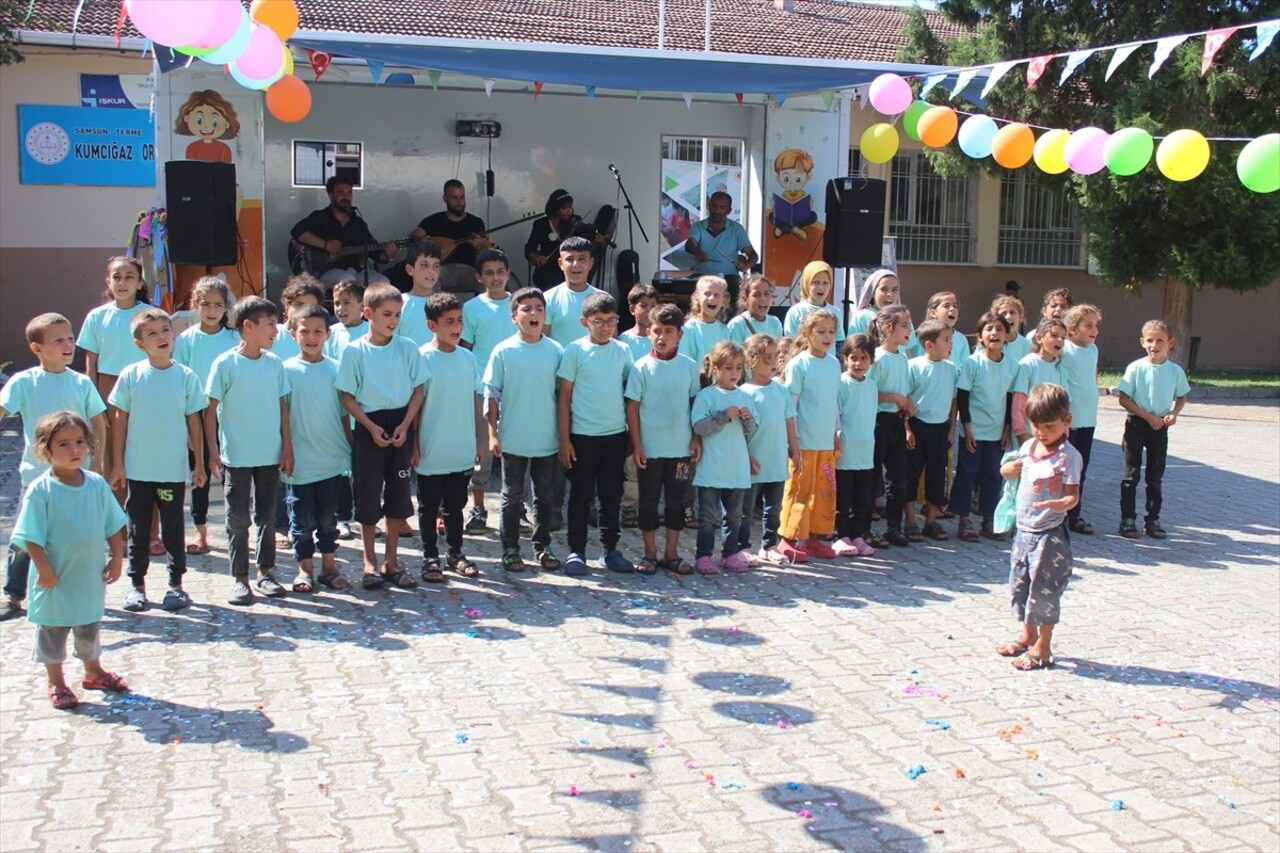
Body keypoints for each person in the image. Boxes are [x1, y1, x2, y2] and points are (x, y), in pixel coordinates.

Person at [11, 412, 129, 710]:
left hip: (87, 577)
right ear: (44, 450)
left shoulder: (96, 485)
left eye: (79, 442)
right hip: (54, 579)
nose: (74, 449)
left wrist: (116, 557)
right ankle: (56, 680)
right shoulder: (41, 491)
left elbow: (112, 523)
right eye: (63, 444)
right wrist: (44, 570)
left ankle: (94, 671)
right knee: (53, 630)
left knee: (88, 625)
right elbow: (30, 537)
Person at [0, 314, 107, 623]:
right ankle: (14, 595)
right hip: (35, 478)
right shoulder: (23, 382)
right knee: (25, 537)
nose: (68, 344)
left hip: (78, 478)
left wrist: (98, 461)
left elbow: (98, 420)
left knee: (77, 534)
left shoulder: (81, 382)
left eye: (70, 338)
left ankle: (83, 591)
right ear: (37, 348)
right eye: (58, 340)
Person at [108, 308, 206, 613]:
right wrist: (118, 464)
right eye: (152, 333)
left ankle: (176, 586)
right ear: (140, 344)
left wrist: (199, 464)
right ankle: (137, 586)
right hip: (138, 471)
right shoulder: (130, 376)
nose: (161, 337)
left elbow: (195, 422)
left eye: (165, 330)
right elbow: (119, 421)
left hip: (171, 472)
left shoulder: (186, 376)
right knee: (137, 529)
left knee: (173, 526)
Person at [334, 283, 425, 589]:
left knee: (398, 495)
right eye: (387, 314)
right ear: (368, 313)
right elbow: (346, 396)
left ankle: (392, 561)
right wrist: (370, 427)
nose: (393, 321)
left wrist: (406, 426)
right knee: (368, 495)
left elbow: (418, 390)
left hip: (400, 422)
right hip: (368, 424)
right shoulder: (355, 351)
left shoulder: (408, 348)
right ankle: (369, 562)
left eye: (398, 315)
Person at [206, 296, 293, 605]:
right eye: (270, 324)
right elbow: (210, 409)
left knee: (267, 516)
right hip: (237, 458)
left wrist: (287, 447)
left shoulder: (274, 364)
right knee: (238, 518)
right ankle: (240, 578)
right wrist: (213, 451)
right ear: (248, 326)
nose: (276, 330)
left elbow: (283, 408)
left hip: (269, 456)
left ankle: (265, 572)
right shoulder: (225, 364)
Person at [998, 383, 1081, 671]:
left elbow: (1073, 495)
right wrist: (1005, 470)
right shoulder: (1028, 446)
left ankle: (1044, 646)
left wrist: (1063, 504)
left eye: (1049, 426)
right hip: (1024, 531)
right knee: (1020, 584)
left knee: (1044, 589)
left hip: (1050, 535)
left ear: (1066, 421)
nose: (1041, 432)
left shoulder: (1068, 457)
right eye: (1036, 425)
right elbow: (1012, 470)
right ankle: (1027, 634)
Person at [485, 288, 564, 573]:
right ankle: (509, 548)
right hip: (514, 438)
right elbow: (492, 393)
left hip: (547, 439)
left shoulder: (556, 351)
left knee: (544, 495)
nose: (534, 314)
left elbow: (564, 396)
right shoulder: (503, 350)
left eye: (539, 308)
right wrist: (493, 433)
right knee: (511, 495)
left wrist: (564, 437)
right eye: (526, 309)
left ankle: (542, 546)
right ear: (513, 316)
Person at [557, 292, 636, 577]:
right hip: (582, 436)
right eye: (598, 321)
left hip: (614, 436)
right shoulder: (574, 351)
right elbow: (564, 398)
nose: (605, 327)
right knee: (580, 496)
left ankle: (610, 550)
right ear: (584, 322)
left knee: (611, 495)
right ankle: (576, 552)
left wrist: (630, 436)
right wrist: (564, 440)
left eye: (611, 321)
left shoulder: (623, 350)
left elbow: (629, 396)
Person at [625, 303, 702, 575]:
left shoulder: (690, 367)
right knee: (647, 501)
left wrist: (695, 438)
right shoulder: (640, 368)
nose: (662, 337)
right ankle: (650, 553)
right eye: (657, 330)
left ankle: (671, 553)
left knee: (676, 502)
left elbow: (695, 404)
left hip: (680, 450)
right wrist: (637, 445)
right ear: (648, 332)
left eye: (669, 331)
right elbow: (632, 408)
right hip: (650, 450)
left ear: (680, 335)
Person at [282, 306, 352, 593]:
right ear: (292, 333)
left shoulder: (337, 368)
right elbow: (281, 415)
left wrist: (350, 449)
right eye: (304, 331)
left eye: (317, 331)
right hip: (300, 461)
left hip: (332, 459)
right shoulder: (284, 370)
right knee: (302, 519)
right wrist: (285, 450)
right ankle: (304, 569)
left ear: (328, 334)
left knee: (327, 518)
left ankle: (329, 567)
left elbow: (344, 413)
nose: (311, 337)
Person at [415, 294, 483, 583]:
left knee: (455, 506)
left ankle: (456, 552)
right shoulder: (420, 357)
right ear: (432, 325)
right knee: (429, 506)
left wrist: (479, 441)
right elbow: (415, 404)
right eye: (449, 322)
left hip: (460, 448)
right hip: (430, 448)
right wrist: (415, 444)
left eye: (459, 321)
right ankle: (430, 555)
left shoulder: (468, 358)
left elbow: (474, 400)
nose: (456, 327)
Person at [78, 256, 149, 504]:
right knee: (111, 455)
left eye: (129, 277)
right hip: (107, 388)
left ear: (140, 282)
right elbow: (92, 362)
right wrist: (94, 400)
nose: (122, 282)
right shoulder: (97, 317)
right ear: (108, 282)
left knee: (142, 453)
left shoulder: (151, 315)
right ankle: (116, 531)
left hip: (144, 386)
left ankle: (149, 533)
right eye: (116, 277)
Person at [175, 277, 237, 555]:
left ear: (226, 308)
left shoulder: (235, 339)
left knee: (232, 477)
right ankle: (200, 533)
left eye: (218, 305)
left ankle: (236, 532)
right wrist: (187, 428)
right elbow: (181, 385)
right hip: (197, 419)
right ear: (195, 306)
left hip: (231, 416)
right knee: (199, 477)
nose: (212, 311)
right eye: (206, 305)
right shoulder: (185, 341)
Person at [778, 310, 842, 561]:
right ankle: (788, 538)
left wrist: (837, 431)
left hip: (825, 442)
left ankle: (814, 537)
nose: (827, 336)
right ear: (807, 333)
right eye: (821, 331)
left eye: (831, 332)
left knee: (823, 492)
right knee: (798, 490)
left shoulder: (834, 363)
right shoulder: (799, 364)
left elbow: (834, 401)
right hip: (803, 443)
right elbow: (790, 406)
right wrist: (792, 441)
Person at [1116, 319, 1189, 540]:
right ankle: (1127, 519)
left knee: (1155, 476)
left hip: (1160, 427)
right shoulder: (1136, 368)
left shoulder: (1175, 371)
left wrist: (1172, 414)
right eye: (1149, 340)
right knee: (1131, 475)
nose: (1154, 345)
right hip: (1137, 424)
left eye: (1160, 340)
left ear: (1170, 343)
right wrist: (1147, 417)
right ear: (1142, 342)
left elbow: (1182, 396)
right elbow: (1124, 398)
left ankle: (1153, 519)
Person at [949, 311, 1018, 542]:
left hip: (997, 431)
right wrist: (966, 428)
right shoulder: (972, 363)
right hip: (973, 431)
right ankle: (964, 519)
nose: (994, 333)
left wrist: (1007, 427)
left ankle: (990, 519)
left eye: (999, 329)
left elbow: (1010, 399)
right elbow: (964, 397)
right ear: (979, 336)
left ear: (1007, 336)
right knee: (967, 474)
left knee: (993, 475)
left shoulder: (1012, 365)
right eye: (989, 329)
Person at [460, 249, 516, 531]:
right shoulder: (471, 309)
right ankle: (478, 508)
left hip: (517, 390)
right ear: (479, 277)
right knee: (481, 452)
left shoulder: (519, 305)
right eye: (489, 273)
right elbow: (466, 350)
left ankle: (518, 508)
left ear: (508, 273)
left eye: (500, 272)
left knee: (517, 452)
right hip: (482, 389)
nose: (496, 278)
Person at [690, 341, 758, 574]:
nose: (734, 373)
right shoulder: (707, 396)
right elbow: (699, 427)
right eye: (728, 368)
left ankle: (730, 553)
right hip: (711, 466)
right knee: (708, 516)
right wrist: (722, 416)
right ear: (715, 369)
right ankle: (704, 555)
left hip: (736, 467)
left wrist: (748, 419)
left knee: (734, 515)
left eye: (738, 368)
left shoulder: (745, 395)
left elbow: (752, 429)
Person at [733, 333, 801, 564]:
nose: (773, 362)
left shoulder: (781, 390)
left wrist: (795, 451)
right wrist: (746, 457)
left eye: (775, 357)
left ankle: (769, 545)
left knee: (774, 508)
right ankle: (742, 546)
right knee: (745, 508)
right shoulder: (743, 392)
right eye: (767, 358)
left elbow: (789, 421)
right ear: (751, 360)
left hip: (776, 462)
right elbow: (738, 432)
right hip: (752, 464)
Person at [902, 319, 957, 543]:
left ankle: (931, 521)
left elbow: (955, 401)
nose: (950, 344)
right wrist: (906, 427)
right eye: (946, 340)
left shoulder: (952, 368)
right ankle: (910, 521)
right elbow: (905, 398)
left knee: (937, 475)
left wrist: (952, 429)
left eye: (950, 339)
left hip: (940, 429)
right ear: (928, 344)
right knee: (911, 475)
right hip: (917, 427)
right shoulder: (913, 366)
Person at [321, 279, 367, 541]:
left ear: (363, 306)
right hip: (339, 412)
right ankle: (342, 517)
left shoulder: (371, 331)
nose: (340, 308)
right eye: (336, 303)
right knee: (341, 468)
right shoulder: (331, 332)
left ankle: (367, 513)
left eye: (347, 302)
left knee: (364, 468)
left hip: (364, 411)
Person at [290, 175, 396, 287]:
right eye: (341, 192)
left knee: (383, 282)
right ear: (331, 195)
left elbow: (373, 251)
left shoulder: (358, 223)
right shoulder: (320, 217)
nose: (346, 196)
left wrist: (389, 254)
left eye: (349, 192)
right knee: (347, 280)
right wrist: (326, 245)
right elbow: (297, 232)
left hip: (356, 272)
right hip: (324, 272)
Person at [868, 305, 917, 548]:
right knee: (871, 476)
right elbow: (868, 393)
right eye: (905, 325)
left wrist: (908, 409)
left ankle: (894, 527)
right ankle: (863, 528)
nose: (910, 330)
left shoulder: (903, 357)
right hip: (878, 422)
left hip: (897, 422)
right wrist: (894, 398)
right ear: (888, 328)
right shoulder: (877, 358)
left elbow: (905, 390)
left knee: (899, 478)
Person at [834, 335, 881, 556]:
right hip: (845, 450)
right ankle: (840, 535)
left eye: (864, 358)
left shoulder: (871, 385)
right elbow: (836, 415)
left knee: (863, 496)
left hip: (865, 451)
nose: (858, 363)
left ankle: (858, 535)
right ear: (845, 359)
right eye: (853, 358)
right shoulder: (841, 383)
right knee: (844, 496)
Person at [1059, 304, 1103, 535]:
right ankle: (1057, 514)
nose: (1094, 330)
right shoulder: (1064, 348)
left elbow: (1091, 377)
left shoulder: (1093, 349)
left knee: (1080, 469)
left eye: (1096, 325)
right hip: (1069, 419)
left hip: (1088, 417)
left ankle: (1074, 514)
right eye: (1088, 325)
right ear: (1072, 328)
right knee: (1063, 467)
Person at [684, 191, 757, 305]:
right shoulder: (698, 226)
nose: (717, 211)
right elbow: (689, 244)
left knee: (738, 292)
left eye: (722, 207)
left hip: (729, 277)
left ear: (729, 210)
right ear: (708, 206)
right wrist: (698, 251)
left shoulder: (736, 229)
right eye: (714, 206)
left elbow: (753, 255)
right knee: (686, 291)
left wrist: (746, 265)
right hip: (702, 275)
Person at [1011, 318, 1066, 447]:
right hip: (1029, 435)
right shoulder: (1027, 364)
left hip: (1053, 437)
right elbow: (1019, 402)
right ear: (1039, 338)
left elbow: (1064, 404)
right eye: (1054, 335)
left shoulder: (1061, 370)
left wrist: (1064, 432)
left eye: (1063, 337)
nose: (1060, 340)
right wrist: (1021, 433)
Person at [411, 179, 488, 270]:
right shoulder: (433, 221)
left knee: (480, 283)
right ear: (445, 199)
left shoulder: (476, 223)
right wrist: (426, 242)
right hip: (439, 270)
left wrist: (479, 247)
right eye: (454, 198)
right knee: (432, 280)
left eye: (462, 197)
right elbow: (412, 237)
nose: (459, 202)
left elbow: (484, 255)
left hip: (468, 271)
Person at [544, 236, 604, 346]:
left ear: (591, 263)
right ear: (560, 263)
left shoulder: (603, 299)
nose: (576, 265)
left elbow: (611, 341)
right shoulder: (548, 298)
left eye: (582, 259)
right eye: (570, 259)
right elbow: (542, 341)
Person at [849, 268, 919, 356]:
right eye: (884, 289)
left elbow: (908, 351)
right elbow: (853, 349)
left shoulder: (904, 317)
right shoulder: (861, 317)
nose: (889, 294)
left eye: (894, 290)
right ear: (873, 291)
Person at [526, 188, 585, 290]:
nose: (569, 211)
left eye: (570, 207)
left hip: (567, 269)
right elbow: (529, 248)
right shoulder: (541, 224)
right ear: (555, 208)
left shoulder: (573, 222)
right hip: (547, 270)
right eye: (564, 208)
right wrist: (536, 257)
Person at [679, 275, 731, 373]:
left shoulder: (725, 331)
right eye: (707, 294)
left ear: (724, 301)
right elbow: (684, 363)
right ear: (697, 298)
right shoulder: (689, 329)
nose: (712, 298)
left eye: (717, 295)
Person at [397, 241, 441, 348]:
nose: (431, 271)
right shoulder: (398, 304)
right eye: (424, 265)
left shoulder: (445, 304)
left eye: (436, 266)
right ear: (410, 269)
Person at [727, 274, 783, 346]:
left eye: (766, 294)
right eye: (756, 295)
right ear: (745, 299)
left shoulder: (775, 323)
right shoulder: (737, 325)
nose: (763, 299)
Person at [618, 283, 660, 362]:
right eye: (644, 305)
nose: (649, 310)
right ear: (632, 309)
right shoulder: (624, 340)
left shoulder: (661, 339)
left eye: (653, 306)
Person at [992, 295, 1031, 364]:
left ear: (1020, 317)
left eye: (1012, 312)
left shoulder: (1026, 345)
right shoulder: (991, 341)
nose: (1008, 317)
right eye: (1004, 313)